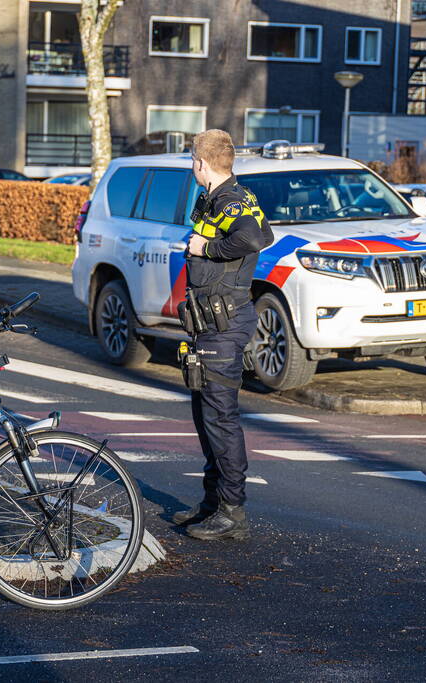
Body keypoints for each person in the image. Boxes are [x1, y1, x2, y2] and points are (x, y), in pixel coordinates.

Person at [173, 129, 273, 541]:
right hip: (213, 320)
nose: (191, 166)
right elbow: (265, 236)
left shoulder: (230, 200)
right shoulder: (230, 197)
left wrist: (205, 250)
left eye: (192, 161)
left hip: (224, 322)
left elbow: (252, 239)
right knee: (207, 416)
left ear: (201, 163)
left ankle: (232, 513)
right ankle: (214, 503)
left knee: (220, 419)